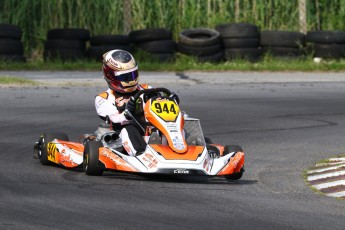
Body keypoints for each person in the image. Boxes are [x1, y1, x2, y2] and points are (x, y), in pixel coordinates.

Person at [95, 49, 178, 156]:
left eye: (133, 75)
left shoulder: (147, 89)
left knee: (178, 121)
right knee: (129, 129)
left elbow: (162, 106)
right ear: (111, 76)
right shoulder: (103, 98)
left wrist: (172, 100)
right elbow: (113, 118)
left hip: (151, 128)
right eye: (125, 77)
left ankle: (183, 147)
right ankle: (142, 155)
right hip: (124, 134)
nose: (132, 80)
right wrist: (126, 113)